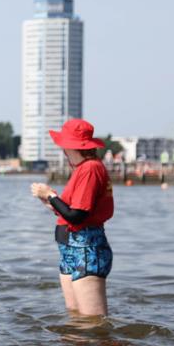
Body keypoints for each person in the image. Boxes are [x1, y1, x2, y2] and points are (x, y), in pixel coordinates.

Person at [30, 119, 114, 316]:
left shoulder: (90, 169)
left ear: (70, 146)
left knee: (92, 321)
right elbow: (71, 211)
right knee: (76, 317)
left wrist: (50, 195)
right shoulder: (83, 169)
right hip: (71, 248)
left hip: (85, 248)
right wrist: (50, 202)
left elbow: (77, 216)